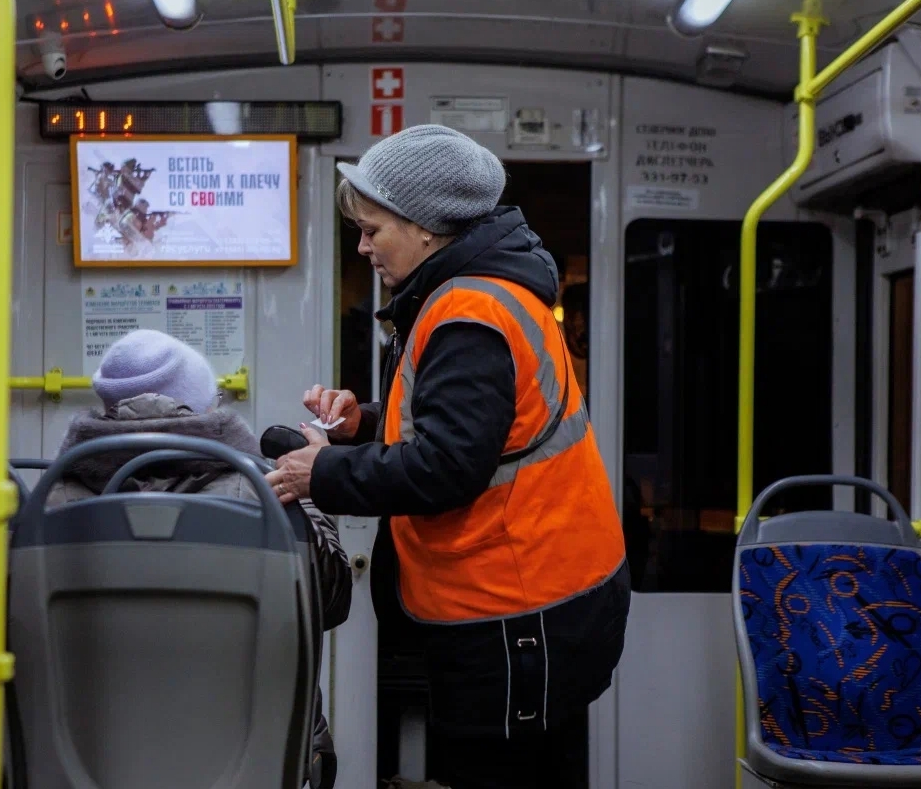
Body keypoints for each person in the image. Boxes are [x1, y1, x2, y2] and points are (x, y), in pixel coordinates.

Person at [264, 125, 630, 789]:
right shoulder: (479, 294)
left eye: (374, 229)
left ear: (428, 228)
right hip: (533, 605)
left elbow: (449, 465)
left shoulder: (469, 311)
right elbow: (479, 429)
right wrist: (362, 423)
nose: (363, 246)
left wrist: (321, 471)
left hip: (515, 615)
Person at [47, 329, 351, 789]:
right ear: (201, 404)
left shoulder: (52, 501)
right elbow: (330, 601)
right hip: (250, 750)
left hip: (91, 751)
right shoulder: (269, 493)